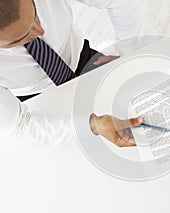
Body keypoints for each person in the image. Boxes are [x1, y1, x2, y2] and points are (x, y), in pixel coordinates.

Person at [0, 0, 143, 147]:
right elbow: (19, 126)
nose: (40, 31)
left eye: (35, 15)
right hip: (36, 99)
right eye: (20, 38)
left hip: (81, 60)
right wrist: (92, 125)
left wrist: (127, 52)